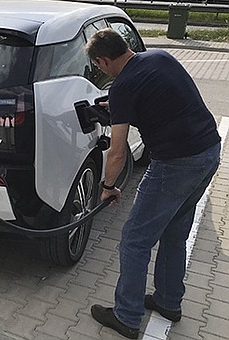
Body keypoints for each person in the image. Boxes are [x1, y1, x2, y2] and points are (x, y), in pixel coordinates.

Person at [85, 28, 221, 339]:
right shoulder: (160, 57)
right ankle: (168, 302)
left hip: (175, 164)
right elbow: (163, 98)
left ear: (103, 61)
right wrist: (119, 107)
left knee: (135, 240)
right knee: (175, 232)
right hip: (208, 152)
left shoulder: (123, 88)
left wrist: (108, 187)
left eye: (98, 65)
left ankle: (127, 317)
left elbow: (117, 152)